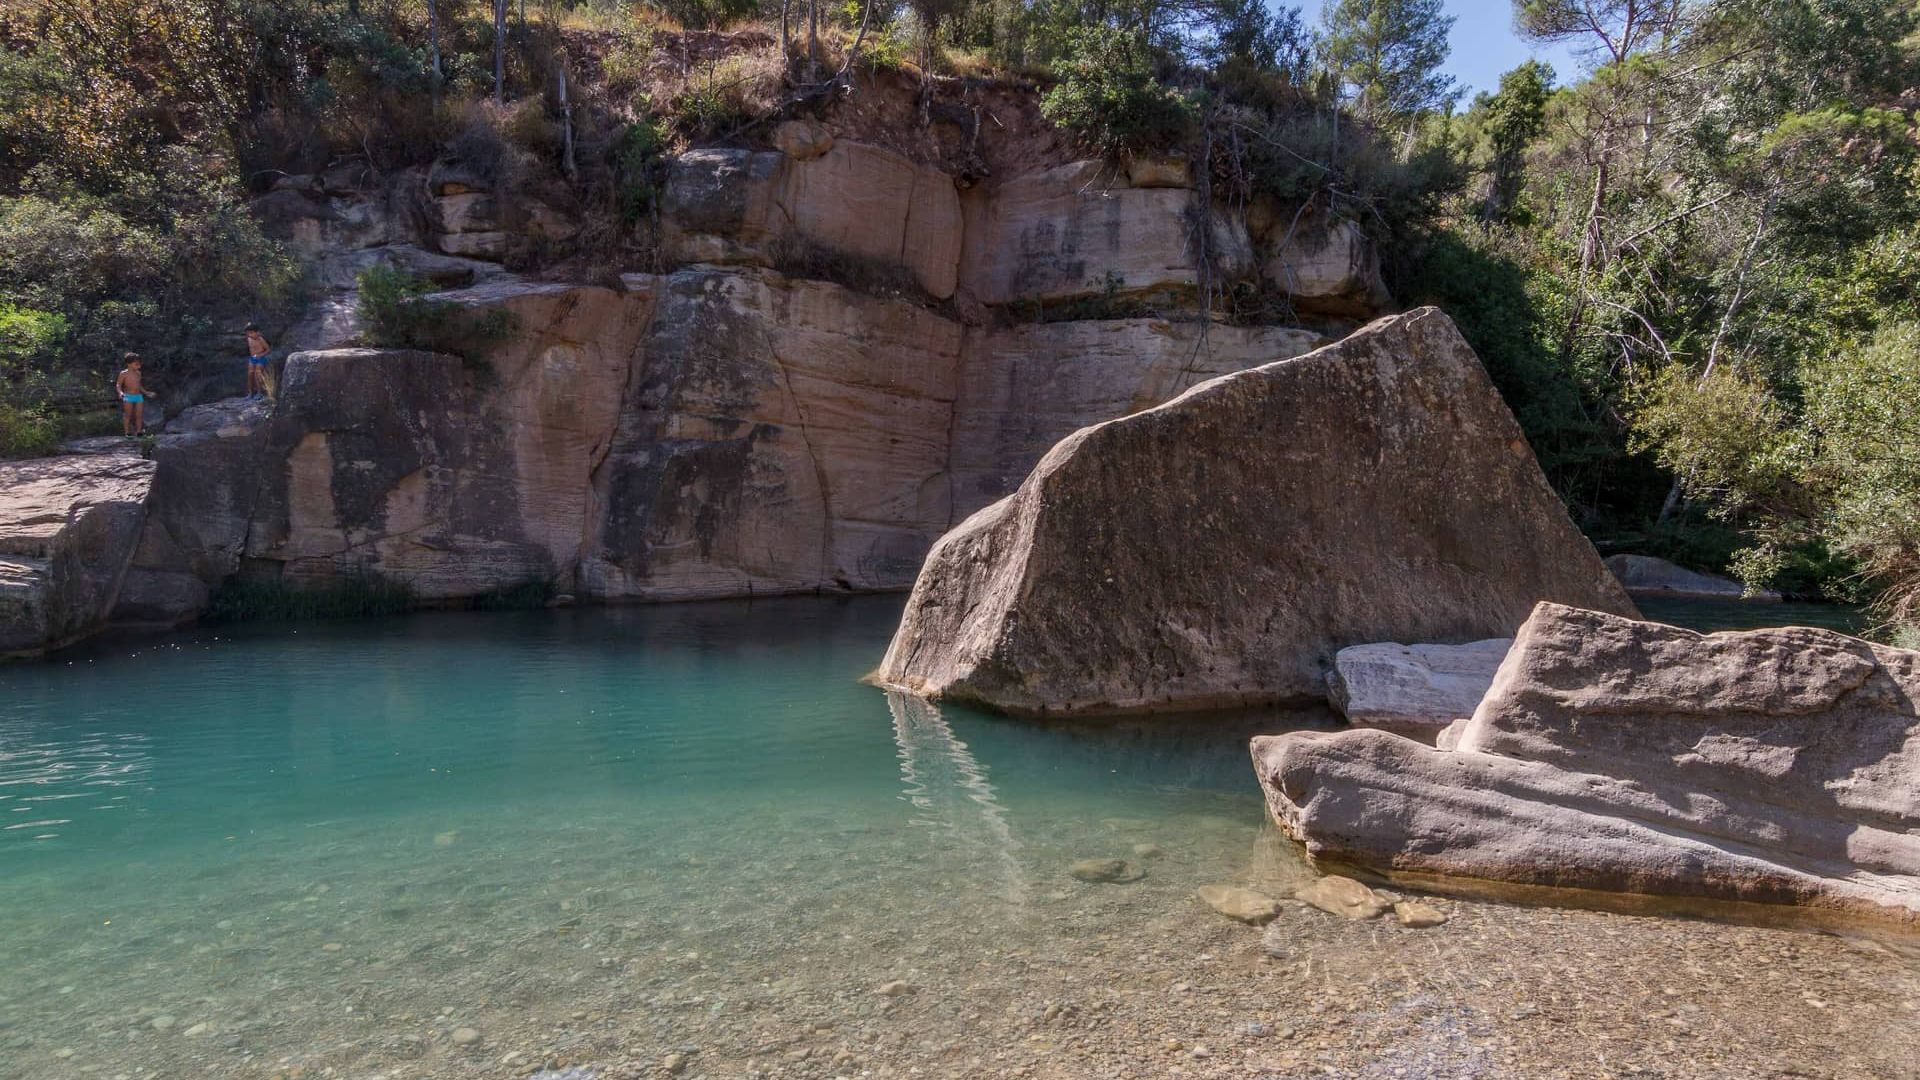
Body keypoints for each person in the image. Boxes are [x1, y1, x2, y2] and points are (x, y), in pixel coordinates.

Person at [115, 353, 145, 436]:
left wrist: (146, 392)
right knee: (128, 414)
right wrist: (120, 392)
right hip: (128, 396)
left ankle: (139, 432)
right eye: (136, 364)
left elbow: (139, 385)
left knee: (139, 415)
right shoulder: (123, 373)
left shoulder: (138, 373)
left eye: (139, 364)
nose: (139, 366)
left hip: (138, 396)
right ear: (129, 364)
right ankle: (127, 432)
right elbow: (118, 384)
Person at [245, 324, 272, 399]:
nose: (250, 334)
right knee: (250, 374)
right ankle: (250, 393)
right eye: (248, 333)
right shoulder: (249, 338)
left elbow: (268, 349)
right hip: (252, 358)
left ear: (257, 332)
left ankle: (259, 393)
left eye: (252, 332)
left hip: (260, 358)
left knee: (258, 373)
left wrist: (261, 355)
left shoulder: (261, 339)